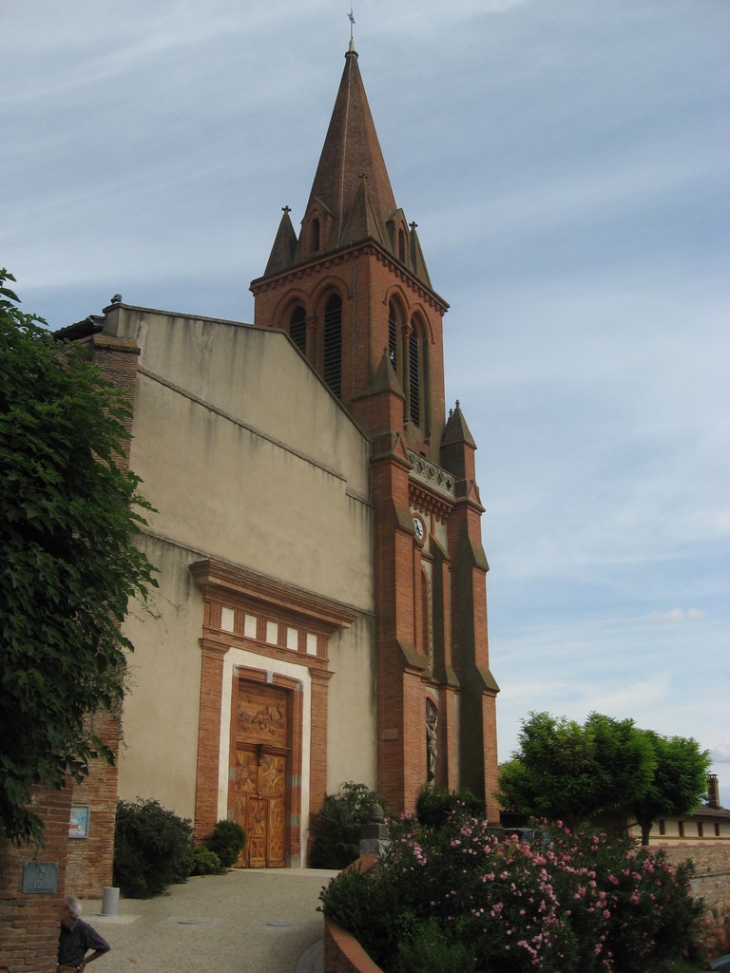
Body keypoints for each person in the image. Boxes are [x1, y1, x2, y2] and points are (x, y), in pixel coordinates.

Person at [57, 894, 110, 973]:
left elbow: (104, 947)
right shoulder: (59, 927)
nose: (57, 911)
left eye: (61, 909)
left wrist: (85, 962)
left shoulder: (84, 929)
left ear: (70, 913)